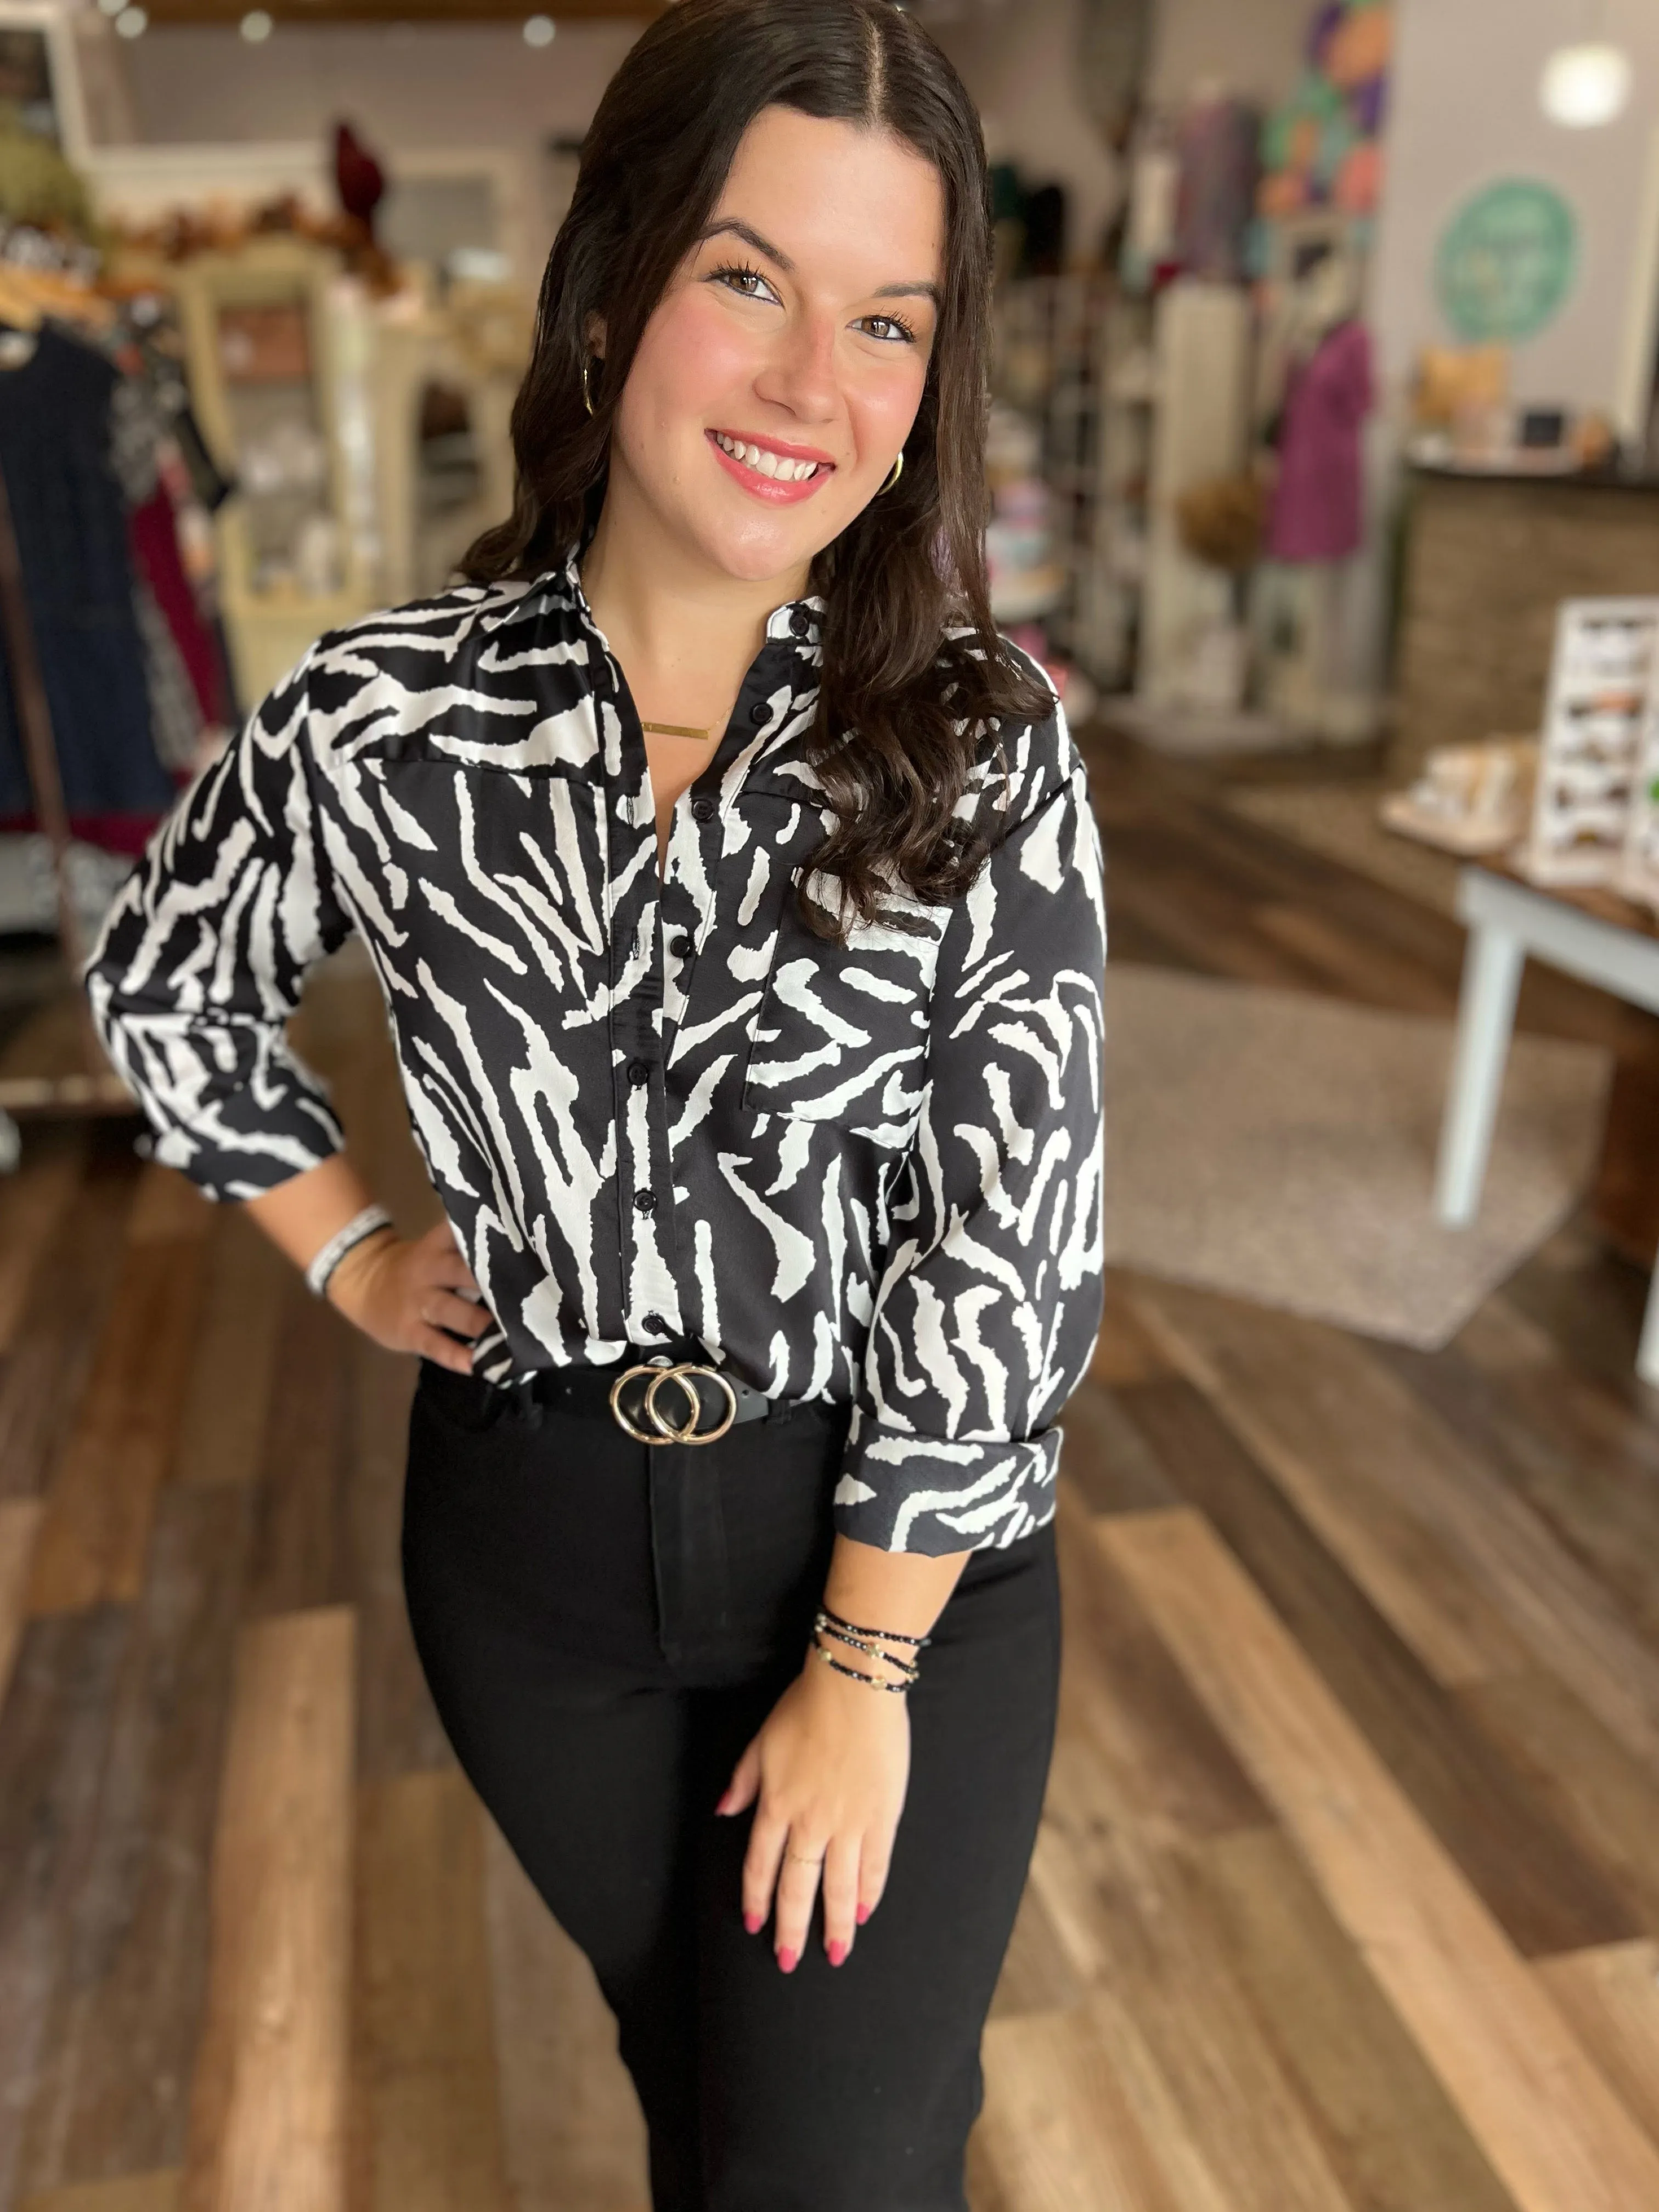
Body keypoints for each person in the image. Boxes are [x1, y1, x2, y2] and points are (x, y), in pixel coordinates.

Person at [82, 0, 1107, 2203]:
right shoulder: (385, 718)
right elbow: (167, 984)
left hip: (890, 1558)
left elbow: (1013, 1241)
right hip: (527, 1560)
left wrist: (858, 1663)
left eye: (890, 321)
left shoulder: (976, 737)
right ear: (612, 276)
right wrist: (351, 1250)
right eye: (748, 278)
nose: (815, 388)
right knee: (719, 2089)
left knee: (814, 2164)